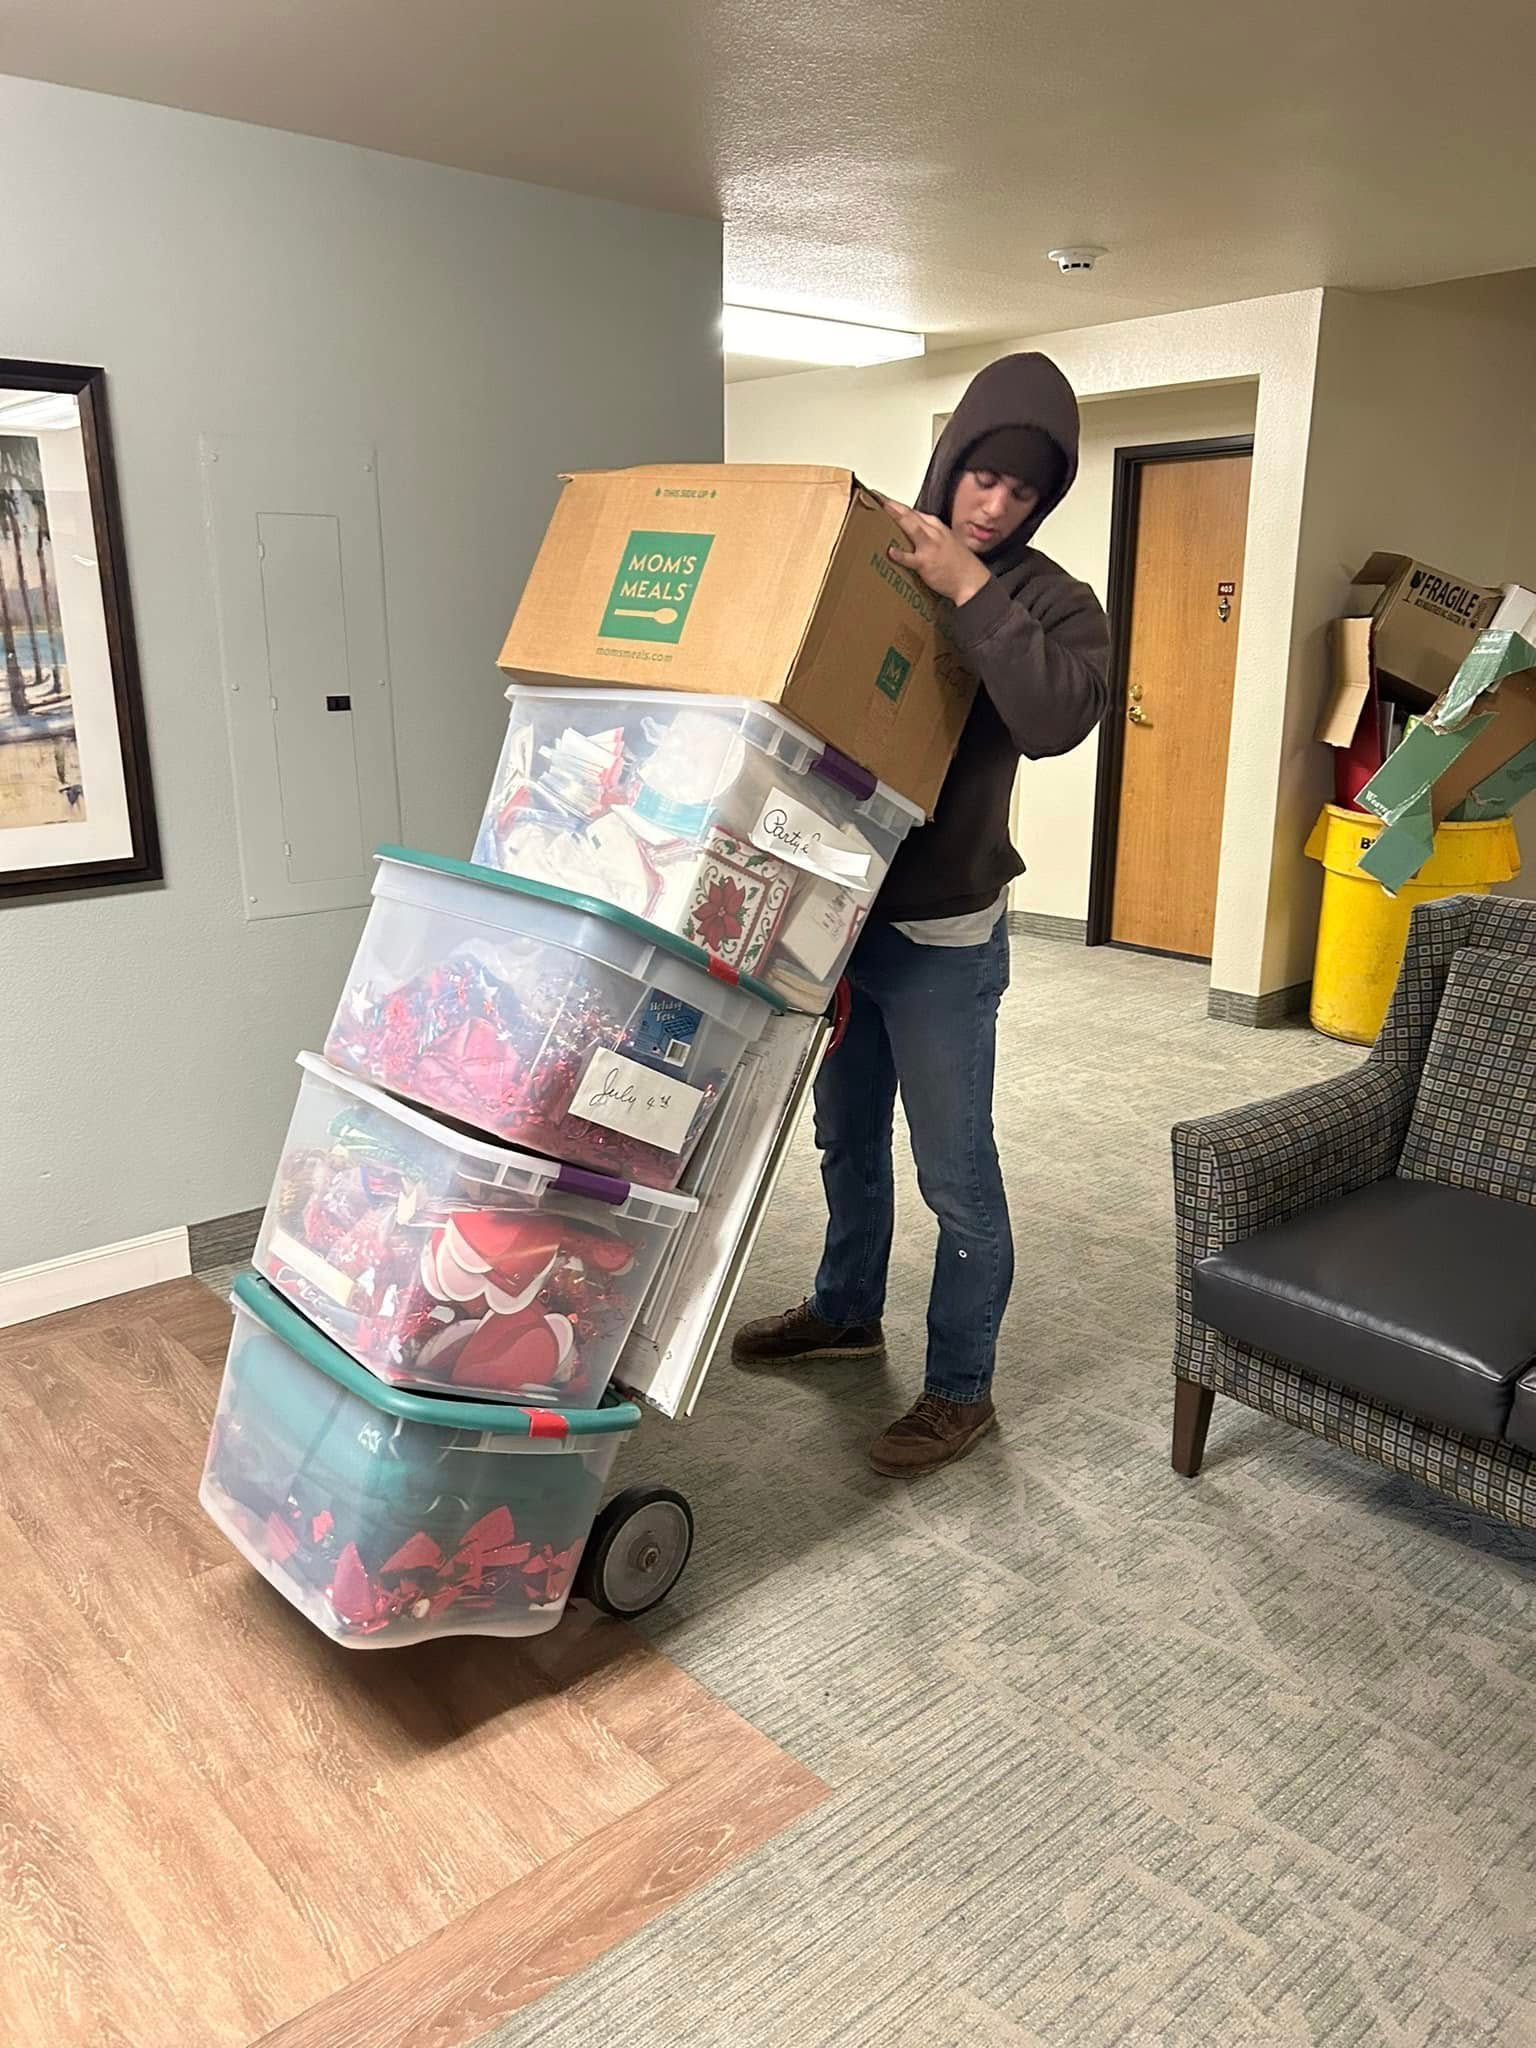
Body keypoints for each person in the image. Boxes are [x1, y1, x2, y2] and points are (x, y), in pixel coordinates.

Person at [732, 352, 1111, 1477]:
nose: (993, 506)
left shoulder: (1050, 602)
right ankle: (847, 1309)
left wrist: (969, 587)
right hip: (838, 913)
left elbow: (1053, 718)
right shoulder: (882, 550)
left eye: (1022, 493)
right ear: (952, 462)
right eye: (981, 477)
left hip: (947, 929)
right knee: (845, 1134)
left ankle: (960, 1388)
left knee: (954, 1168)